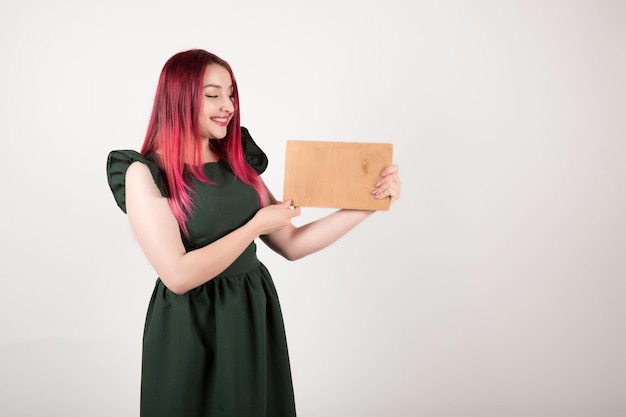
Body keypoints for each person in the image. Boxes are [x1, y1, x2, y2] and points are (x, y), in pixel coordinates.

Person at [106, 49, 401, 417]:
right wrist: (255, 226)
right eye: (213, 94)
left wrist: (368, 202)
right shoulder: (143, 172)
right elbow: (177, 275)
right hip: (189, 324)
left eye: (231, 93)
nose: (228, 105)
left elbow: (292, 243)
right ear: (178, 98)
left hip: (249, 314)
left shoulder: (236, 158)